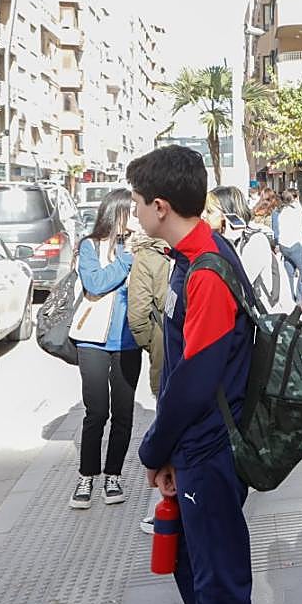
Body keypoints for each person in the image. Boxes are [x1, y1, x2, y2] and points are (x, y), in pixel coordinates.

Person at [129, 145, 255, 604]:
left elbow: (195, 379)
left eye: (137, 200)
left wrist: (154, 450)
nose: (134, 211)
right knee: (191, 565)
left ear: (159, 207)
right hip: (196, 449)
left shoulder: (205, 268)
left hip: (210, 450)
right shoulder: (194, 253)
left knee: (219, 585)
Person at [70, 189, 140, 510]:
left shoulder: (140, 248)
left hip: (128, 343)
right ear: (117, 214)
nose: (136, 217)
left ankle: (113, 474)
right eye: (132, 211)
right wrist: (126, 259)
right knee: (96, 412)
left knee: (123, 415)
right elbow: (95, 284)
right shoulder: (90, 246)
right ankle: (87, 476)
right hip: (93, 341)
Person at [126, 228, 171, 533]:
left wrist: (153, 343)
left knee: (168, 428)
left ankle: (169, 508)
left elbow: (138, 315)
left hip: (165, 353)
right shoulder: (194, 248)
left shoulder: (146, 257)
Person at [211, 186, 295, 315]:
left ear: (227, 214)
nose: (203, 216)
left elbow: (236, 286)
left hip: (273, 323)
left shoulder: (255, 241)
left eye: (210, 211)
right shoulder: (225, 242)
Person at [273, 189, 302, 299]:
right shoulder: (297, 209)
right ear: (295, 197)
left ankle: (289, 298)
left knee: (289, 274)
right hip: (295, 245)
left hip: (284, 246)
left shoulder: (281, 211)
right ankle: (300, 298)